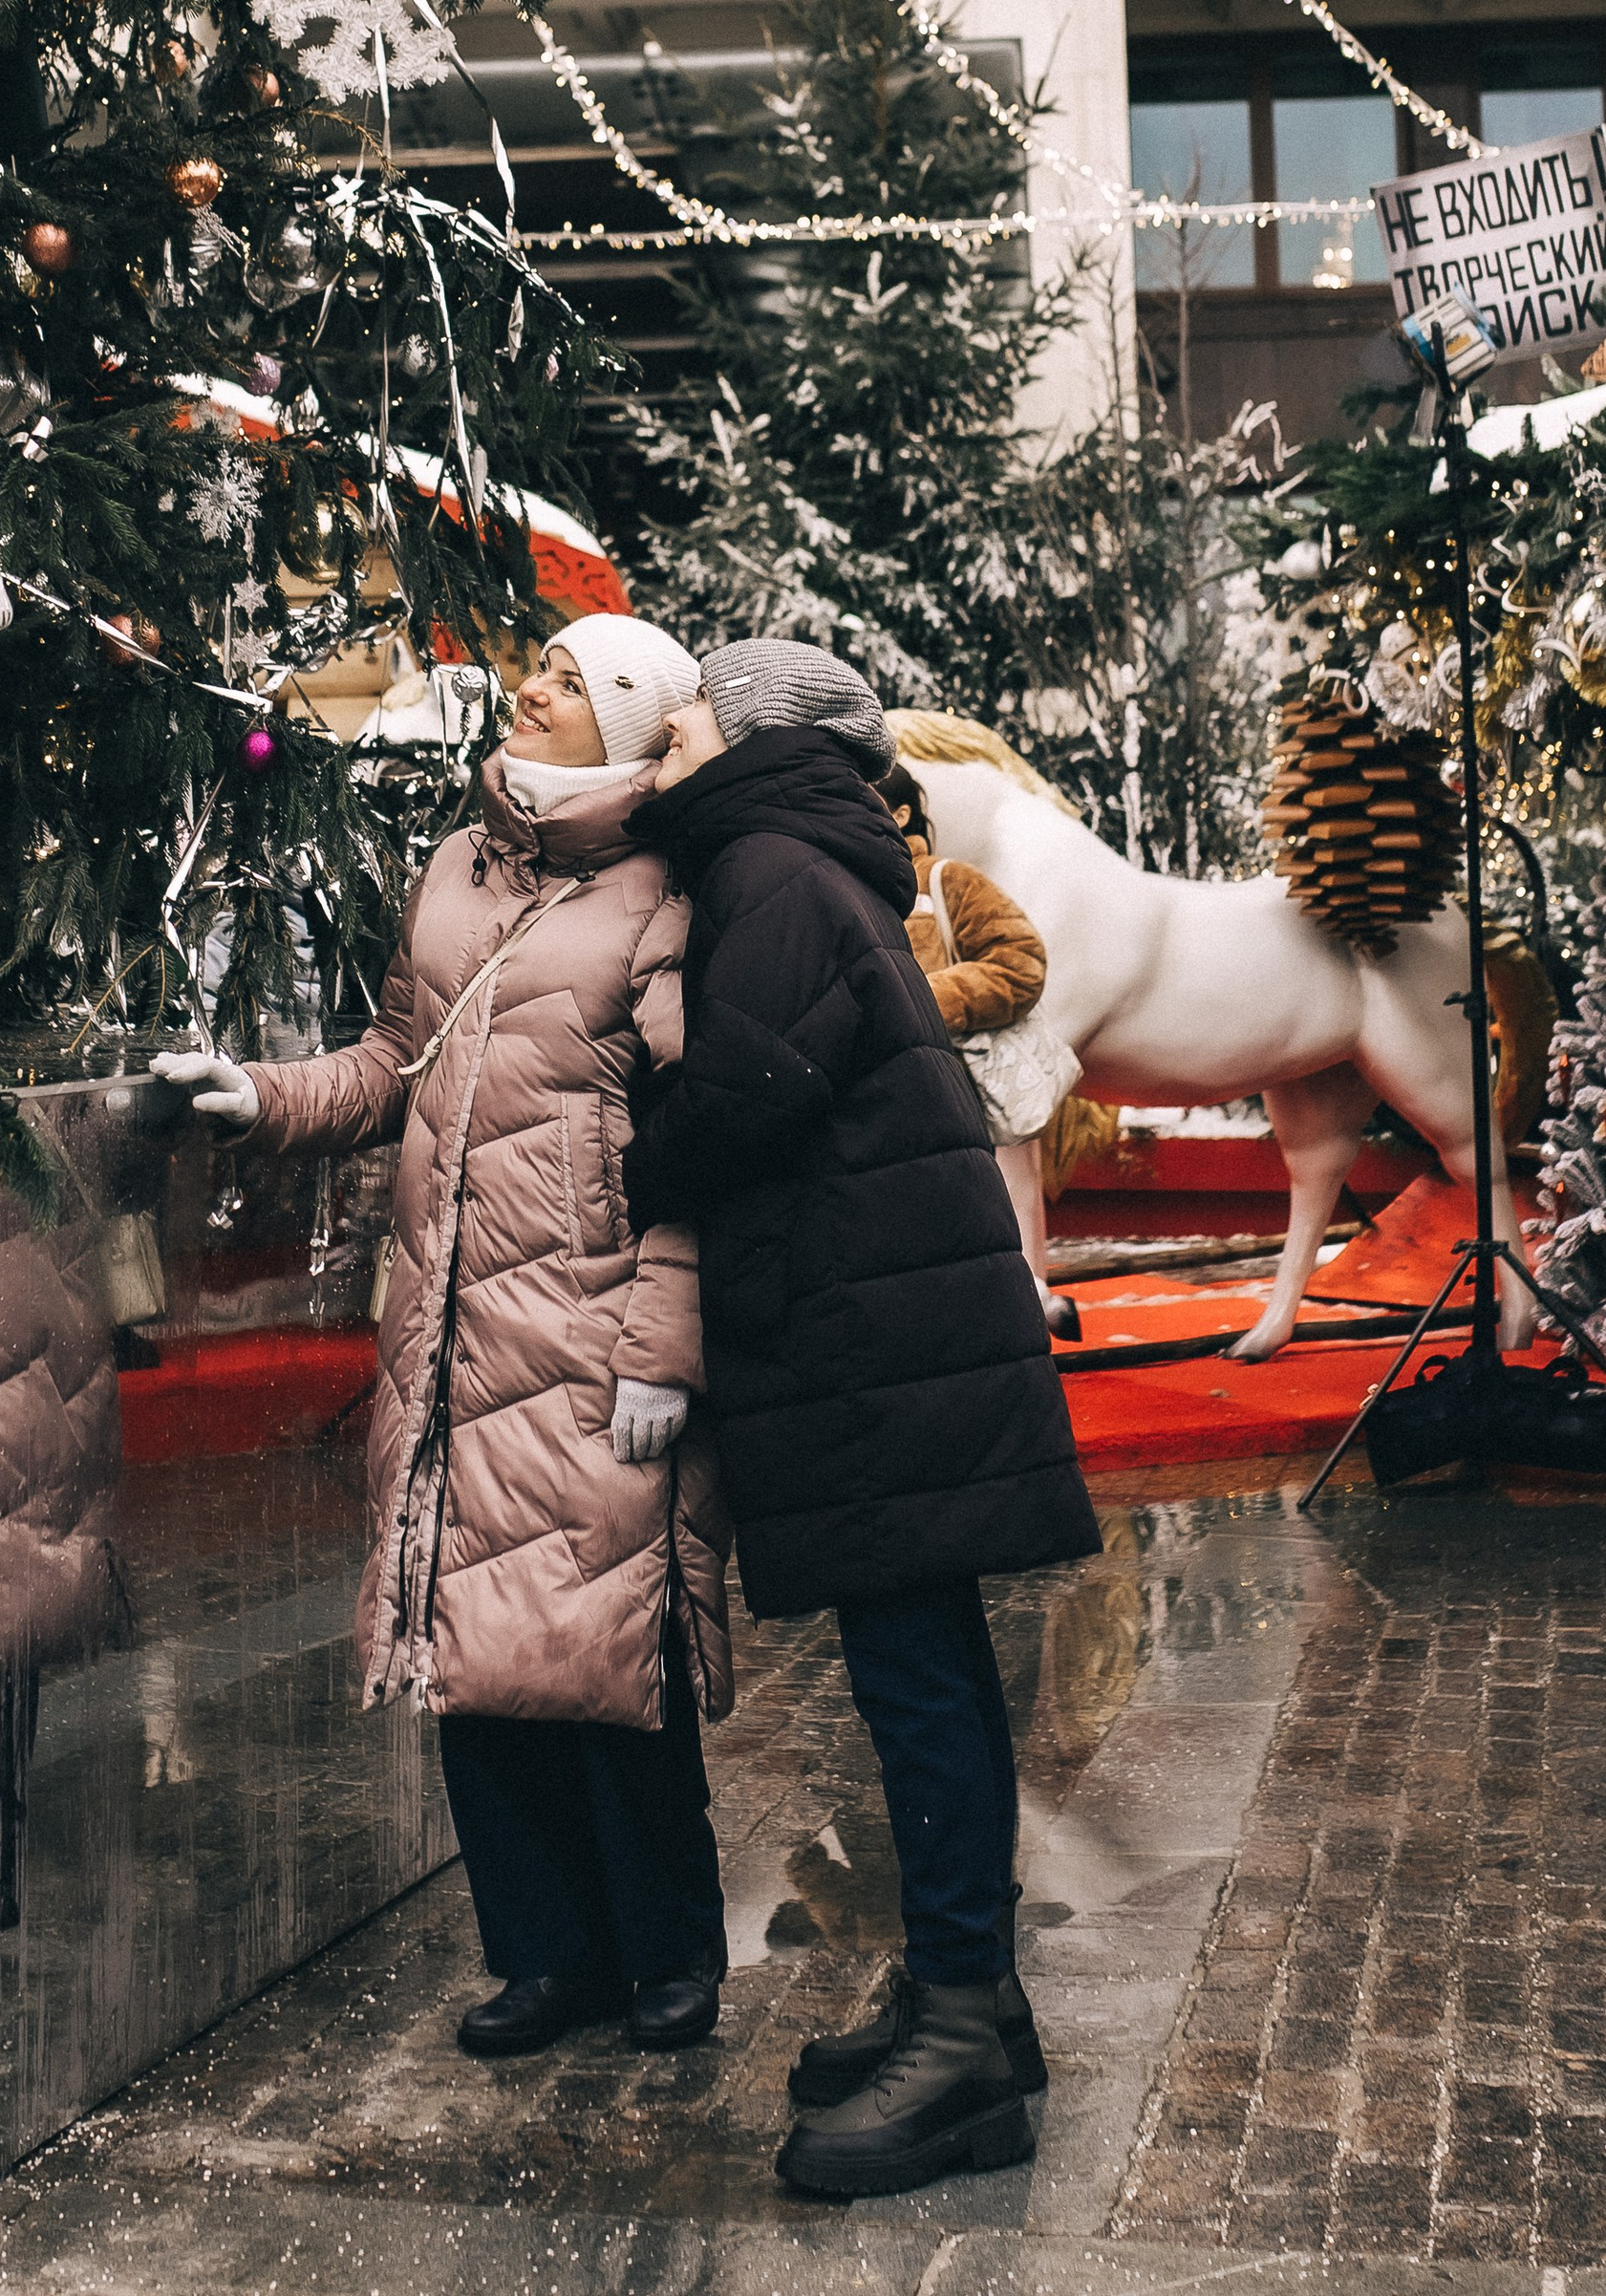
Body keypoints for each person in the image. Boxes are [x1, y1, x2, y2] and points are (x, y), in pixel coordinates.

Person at [157, 612, 734, 2056]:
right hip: (452, 1319)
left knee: (608, 1646)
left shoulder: (672, 895)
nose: (528, 690)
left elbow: (699, 1144)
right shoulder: (462, 868)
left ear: (627, 731)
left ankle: (669, 1953)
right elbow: (395, 1060)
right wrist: (268, 1099)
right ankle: (547, 1956)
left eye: (569, 683)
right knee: (473, 1645)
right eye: (534, 669)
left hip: (595, 1325)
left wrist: (669, 1344)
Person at [620, 640, 1101, 2200]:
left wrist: (626, 1154)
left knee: (918, 1685)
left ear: (750, 739)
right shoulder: (820, 859)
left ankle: (962, 2041)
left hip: (872, 1338)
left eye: (682, 717)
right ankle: (979, 2003)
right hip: (892, 1328)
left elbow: (752, 1088)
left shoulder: (766, 865)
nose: (660, 739)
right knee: (932, 1669)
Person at [879, 755, 1081, 1345]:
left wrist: (923, 999)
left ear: (900, 812)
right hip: (907, 1105)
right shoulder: (849, 890)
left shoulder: (949, 881)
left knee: (1005, 1240)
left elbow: (1021, 962)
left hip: (979, 1091)